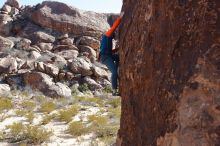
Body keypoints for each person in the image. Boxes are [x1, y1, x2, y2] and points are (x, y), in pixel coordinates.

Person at [99, 12, 124, 96]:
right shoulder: (107, 35)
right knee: (114, 72)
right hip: (105, 57)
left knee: (118, 58)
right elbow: (113, 27)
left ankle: (117, 69)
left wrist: (118, 49)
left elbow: (109, 51)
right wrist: (120, 18)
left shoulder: (108, 39)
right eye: (114, 34)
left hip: (108, 55)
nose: (114, 34)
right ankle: (114, 91)